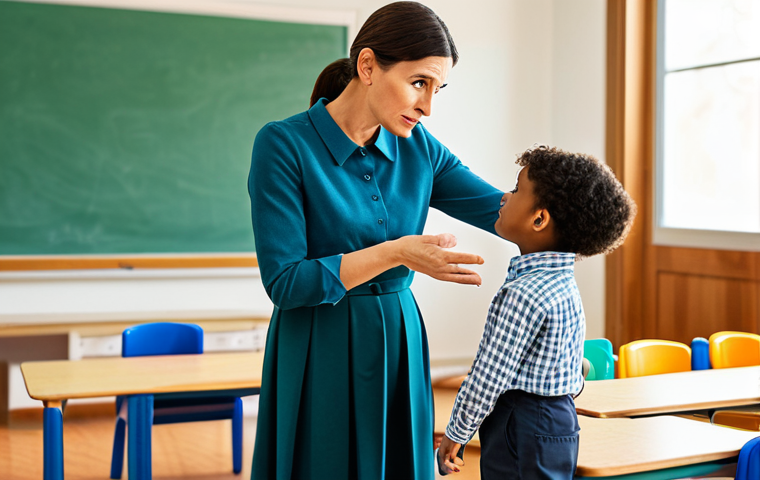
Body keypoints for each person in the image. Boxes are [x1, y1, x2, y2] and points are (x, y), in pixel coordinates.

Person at [247, 2, 505, 479]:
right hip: (316, 344)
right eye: (419, 83)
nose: (428, 106)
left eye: (437, 88)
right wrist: (397, 252)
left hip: (397, 337)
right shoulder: (283, 145)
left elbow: (504, 212)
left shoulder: (419, 146)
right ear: (367, 66)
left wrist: (579, 203)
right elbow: (286, 282)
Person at [437, 145, 636, 479]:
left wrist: (457, 433)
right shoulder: (564, 286)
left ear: (539, 218)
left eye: (515, 190)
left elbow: (488, 377)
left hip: (521, 420)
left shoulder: (521, 294)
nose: (503, 197)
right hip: (560, 418)